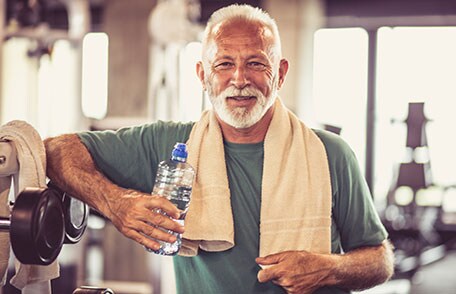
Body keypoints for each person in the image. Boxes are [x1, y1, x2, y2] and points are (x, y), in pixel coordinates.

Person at [45, 4, 394, 294]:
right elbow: (57, 150)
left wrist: (330, 268)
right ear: (202, 75)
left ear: (280, 73)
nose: (239, 79)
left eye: (256, 63)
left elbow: (380, 260)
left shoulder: (330, 153)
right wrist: (115, 203)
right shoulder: (168, 144)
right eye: (224, 64)